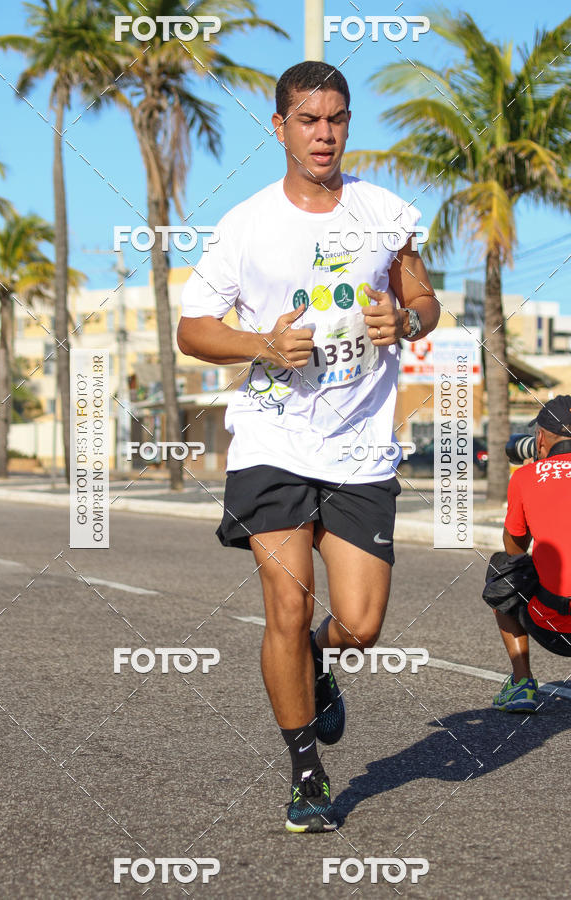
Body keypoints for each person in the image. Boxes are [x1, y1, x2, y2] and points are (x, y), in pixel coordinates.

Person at [178, 61, 439, 832]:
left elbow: (422, 296)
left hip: (359, 446)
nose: (323, 134)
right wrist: (261, 343)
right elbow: (193, 330)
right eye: (308, 120)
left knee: (360, 624)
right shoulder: (245, 225)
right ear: (280, 126)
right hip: (272, 440)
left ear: (347, 124)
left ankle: (323, 665)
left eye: (335, 119)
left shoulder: (385, 211)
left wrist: (410, 322)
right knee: (286, 607)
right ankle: (305, 774)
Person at [484, 395, 571, 714]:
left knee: (502, 568)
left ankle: (522, 684)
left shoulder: (525, 477)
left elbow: (514, 548)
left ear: (541, 438)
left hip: (552, 625)